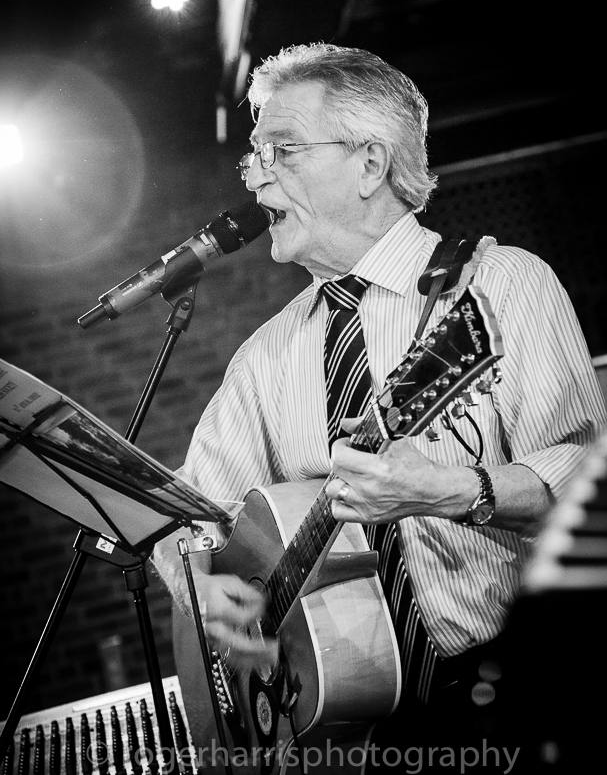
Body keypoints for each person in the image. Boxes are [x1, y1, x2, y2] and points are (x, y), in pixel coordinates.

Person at [152, 42, 605, 771]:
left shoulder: (501, 287)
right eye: (253, 155)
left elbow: (587, 483)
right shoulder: (263, 358)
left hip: (529, 690)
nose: (256, 174)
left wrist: (453, 490)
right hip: (354, 732)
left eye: (282, 150)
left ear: (369, 164)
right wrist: (199, 587)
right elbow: (184, 519)